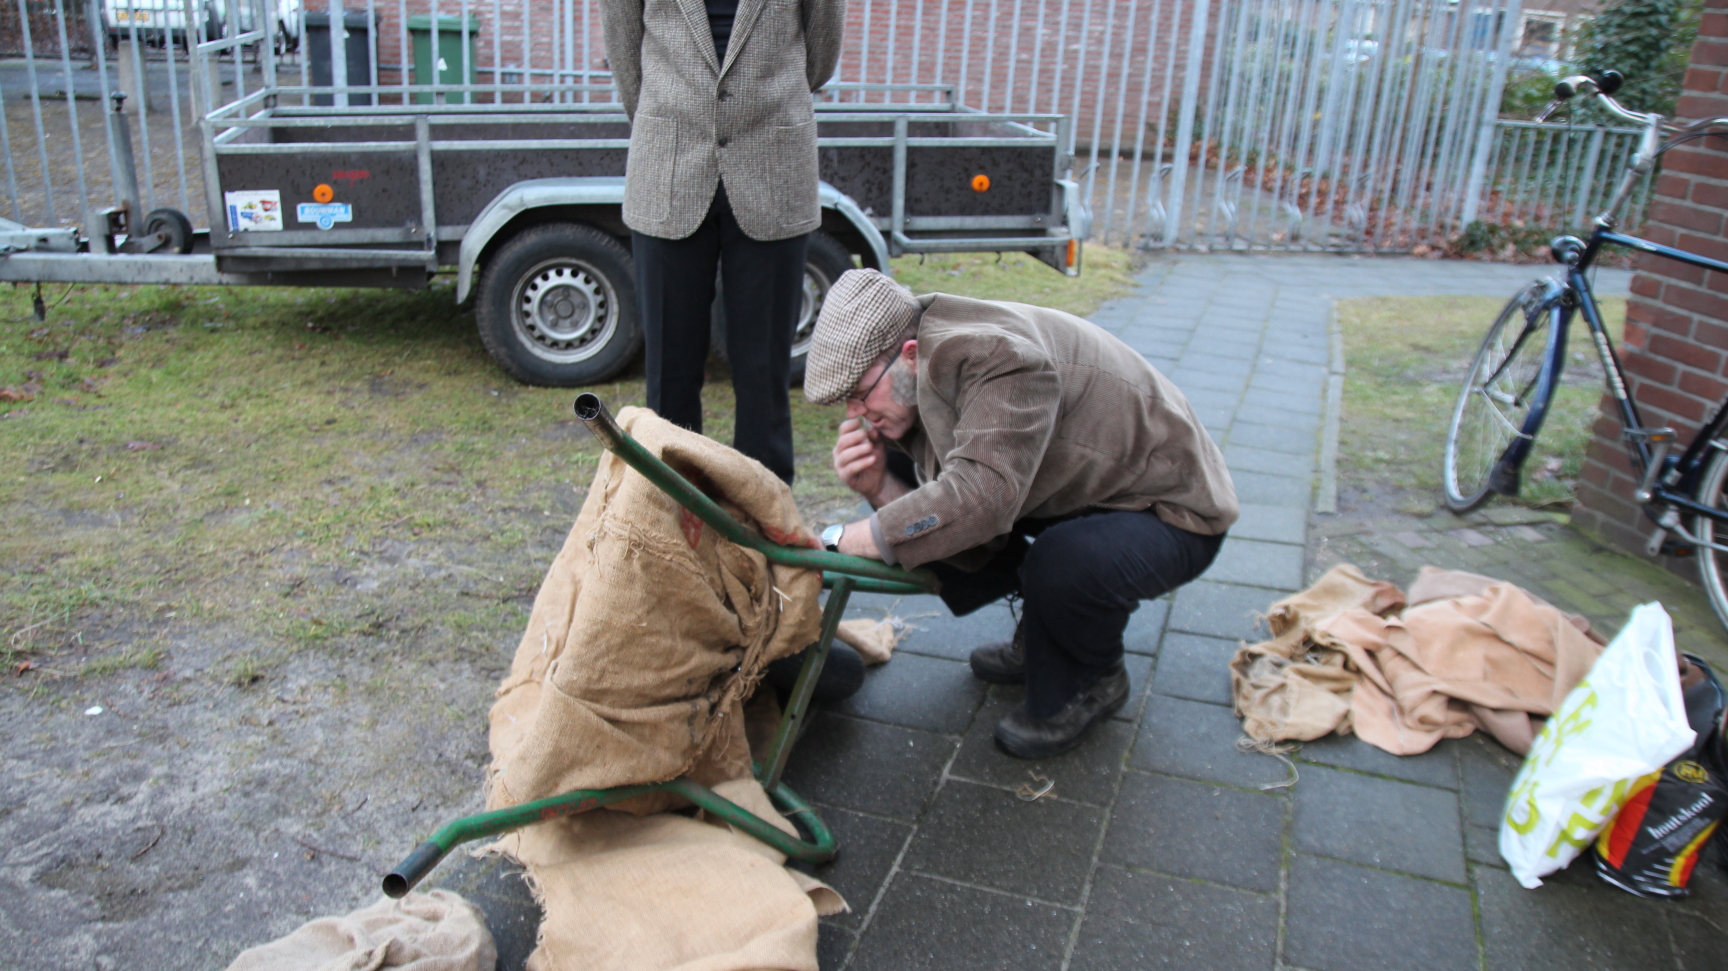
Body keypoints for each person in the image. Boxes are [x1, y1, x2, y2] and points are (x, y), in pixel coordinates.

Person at [804, 269, 1238, 758]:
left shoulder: (1000, 360)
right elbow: (959, 518)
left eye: (860, 394)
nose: (854, 414)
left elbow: (980, 504)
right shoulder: (923, 360)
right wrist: (880, 484)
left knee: (1061, 561)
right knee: (920, 485)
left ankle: (1094, 676)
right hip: (1089, 490)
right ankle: (1047, 631)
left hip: (1171, 510)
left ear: (909, 356)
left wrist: (841, 539)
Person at [599, 0, 846, 484]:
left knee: (765, 377)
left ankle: (761, 522)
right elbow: (626, 53)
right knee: (668, 376)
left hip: (773, 164)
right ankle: (668, 511)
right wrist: (673, 115)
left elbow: (820, 55)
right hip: (669, 167)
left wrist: (759, 103)